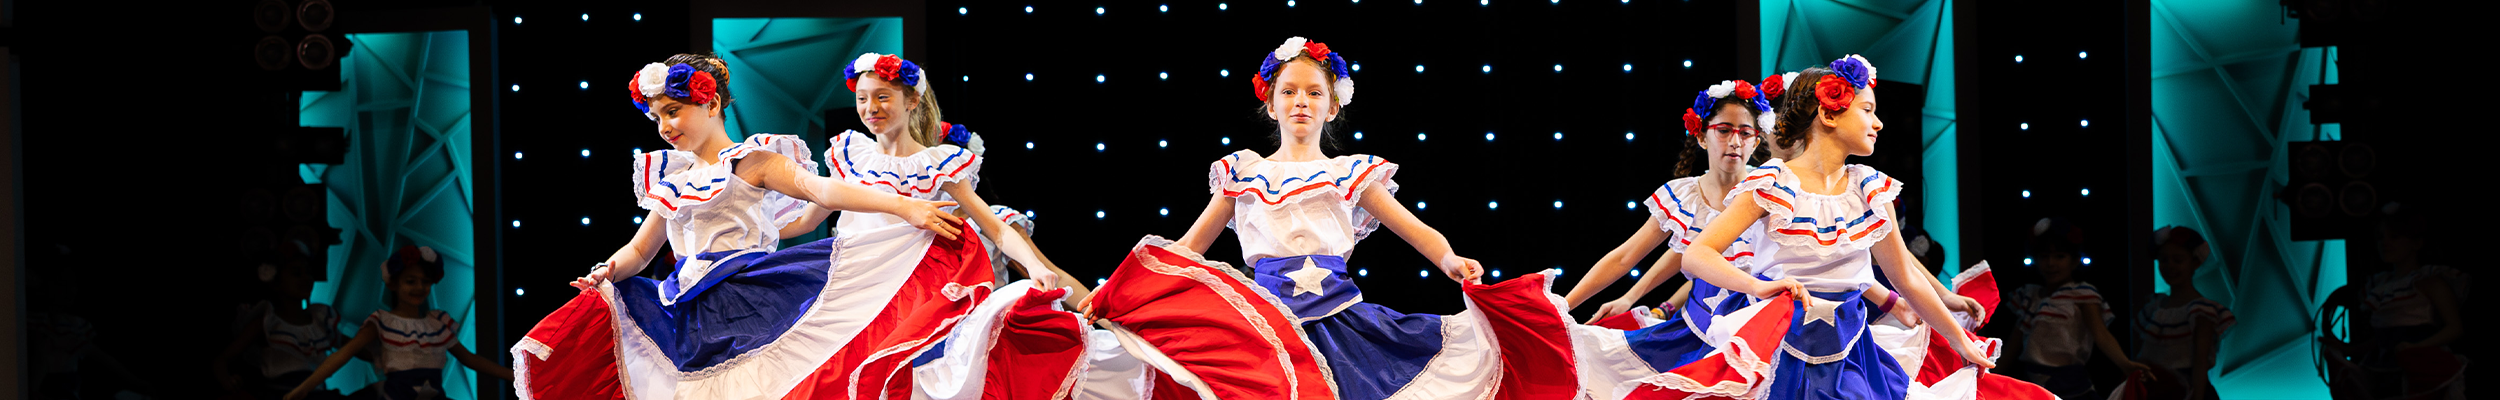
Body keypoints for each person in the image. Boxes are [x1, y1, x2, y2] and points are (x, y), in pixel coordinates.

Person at [509, 53, 1084, 400]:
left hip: (758, 291)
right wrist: (609, 269)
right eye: (657, 115)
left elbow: (820, 193)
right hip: (688, 301)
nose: (664, 125)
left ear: (711, 105)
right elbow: (641, 250)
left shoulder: (753, 160)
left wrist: (906, 209)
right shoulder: (672, 177)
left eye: (674, 110)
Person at [1085, 36, 1549, 400]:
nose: (1301, 101)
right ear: (1271, 105)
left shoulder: (1349, 173)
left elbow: (1414, 228)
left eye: (1314, 92)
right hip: (1265, 322)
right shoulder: (1243, 173)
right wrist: (1120, 290)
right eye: (1288, 92)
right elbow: (1186, 250)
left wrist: (1449, 259)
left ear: (1333, 106)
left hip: (1338, 317)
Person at [1619, 55, 2033, 400]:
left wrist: (1959, 340)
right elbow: (1696, 254)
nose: (1878, 123)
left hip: (1848, 349)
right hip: (1775, 344)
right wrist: (1759, 287)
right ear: (1828, 113)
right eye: (1867, 110)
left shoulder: (1870, 190)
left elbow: (1904, 276)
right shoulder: (1773, 184)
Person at [286, 246, 511, 400]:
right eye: (410, 281)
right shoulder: (382, 322)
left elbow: (470, 359)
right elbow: (343, 354)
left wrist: (514, 376)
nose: (419, 287)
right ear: (394, 284)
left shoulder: (436, 324)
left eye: (425, 282)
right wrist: (305, 388)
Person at [2009, 217, 2144, 399]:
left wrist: (2125, 364)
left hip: (2071, 386)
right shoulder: (2030, 296)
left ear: (2074, 261)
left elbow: (2101, 334)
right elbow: (2013, 346)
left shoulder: (2081, 294)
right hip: (2032, 384)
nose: (2051, 263)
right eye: (2044, 256)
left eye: (2060, 256)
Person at [2113, 226, 2233, 400]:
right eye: (2164, 260)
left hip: (2186, 390)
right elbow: (2144, 355)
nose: (2170, 266)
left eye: (2178, 260)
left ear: (2195, 263)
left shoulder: (2201, 311)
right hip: (2154, 389)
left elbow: (2200, 362)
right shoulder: (2155, 308)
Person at [216, 259, 345, 400]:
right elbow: (221, 360)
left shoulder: (320, 322)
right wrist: (228, 381)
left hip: (318, 393)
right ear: (276, 284)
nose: (306, 278)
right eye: (297, 274)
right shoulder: (268, 322)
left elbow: (355, 345)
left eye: (309, 273)